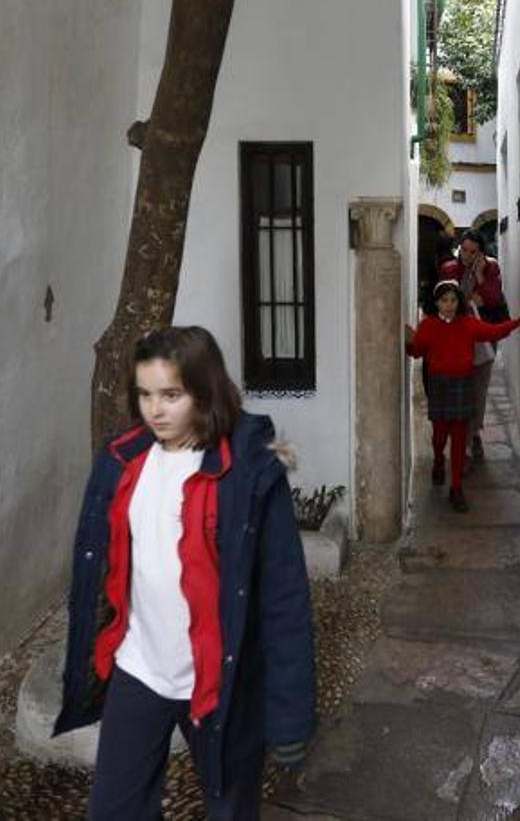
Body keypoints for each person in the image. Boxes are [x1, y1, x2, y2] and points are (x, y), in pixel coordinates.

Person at [55, 326, 315, 821]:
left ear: (204, 389)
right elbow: (102, 568)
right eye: (146, 394)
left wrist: (290, 715)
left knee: (231, 810)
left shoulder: (252, 475)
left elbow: (283, 598)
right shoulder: (122, 460)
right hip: (141, 669)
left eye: (171, 395)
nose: (156, 410)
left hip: (222, 680)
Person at [405, 280, 520, 512]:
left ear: (459, 302)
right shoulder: (428, 326)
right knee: (439, 436)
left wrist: (519, 321)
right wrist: (407, 341)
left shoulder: (468, 324)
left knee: (459, 438)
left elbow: (493, 331)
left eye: (453, 300)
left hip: (461, 385)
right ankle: (439, 461)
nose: (449, 305)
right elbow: (418, 352)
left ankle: (456, 488)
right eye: (444, 300)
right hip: (439, 386)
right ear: (436, 303)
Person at [457, 231, 510, 462]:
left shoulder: (490, 268)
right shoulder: (453, 268)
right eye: (464, 249)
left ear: (481, 252)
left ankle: (470, 439)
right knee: (461, 389)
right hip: (459, 338)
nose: (467, 255)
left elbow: (495, 298)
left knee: (478, 388)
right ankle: (469, 435)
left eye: (472, 251)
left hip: (484, 338)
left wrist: (479, 276)